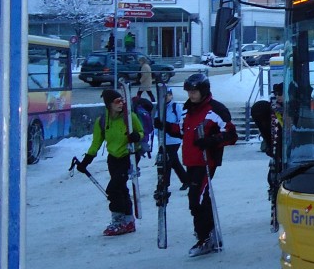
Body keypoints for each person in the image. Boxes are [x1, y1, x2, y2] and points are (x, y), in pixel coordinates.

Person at [161, 72, 237, 257]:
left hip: (206, 161)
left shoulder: (215, 109)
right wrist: (162, 125)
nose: (191, 95)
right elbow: (181, 131)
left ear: (203, 90)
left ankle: (205, 237)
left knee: (196, 199)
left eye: (194, 91)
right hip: (191, 160)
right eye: (189, 91)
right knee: (201, 198)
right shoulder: (188, 110)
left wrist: (211, 141)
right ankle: (209, 234)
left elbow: (231, 135)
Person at [76, 88, 144, 236]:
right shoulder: (101, 121)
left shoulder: (130, 117)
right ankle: (128, 220)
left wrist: (136, 137)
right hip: (113, 158)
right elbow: (96, 143)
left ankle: (118, 220)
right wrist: (86, 161)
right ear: (109, 104)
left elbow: (141, 132)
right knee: (120, 189)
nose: (121, 104)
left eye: (122, 101)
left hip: (129, 157)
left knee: (113, 189)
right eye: (117, 102)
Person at [160, 88, 189, 191]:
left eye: (168, 95)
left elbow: (182, 121)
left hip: (174, 139)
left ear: (171, 96)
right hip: (164, 140)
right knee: (174, 162)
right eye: (164, 95)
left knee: (167, 161)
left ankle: (164, 185)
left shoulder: (175, 106)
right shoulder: (161, 108)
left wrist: (175, 130)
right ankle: (186, 180)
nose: (166, 97)